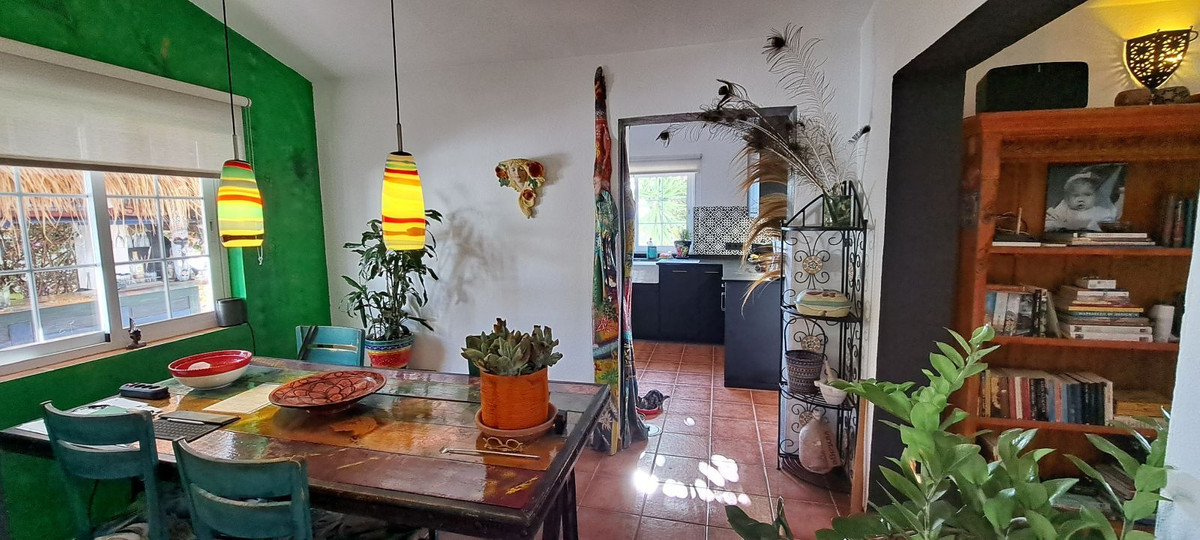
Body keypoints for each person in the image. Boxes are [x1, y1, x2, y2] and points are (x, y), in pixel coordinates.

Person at [1045, 170, 1124, 232]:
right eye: (1076, 195)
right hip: (1069, 239)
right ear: (1067, 198)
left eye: (1087, 195)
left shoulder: (1101, 210)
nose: (1081, 199)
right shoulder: (1064, 209)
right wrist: (1054, 226)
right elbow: (1049, 220)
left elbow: (1112, 221)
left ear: (1096, 197)